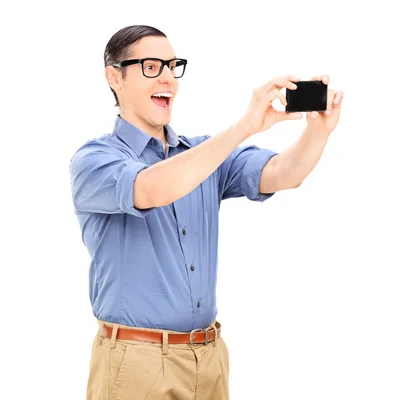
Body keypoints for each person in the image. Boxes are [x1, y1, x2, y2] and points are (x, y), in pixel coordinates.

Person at [69, 24, 344, 400]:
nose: (167, 77)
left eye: (172, 65)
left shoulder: (201, 154)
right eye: (151, 66)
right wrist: (245, 127)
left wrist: (317, 133)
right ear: (114, 76)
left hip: (209, 357)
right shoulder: (95, 160)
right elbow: (151, 187)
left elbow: (283, 173)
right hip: (136, 362)